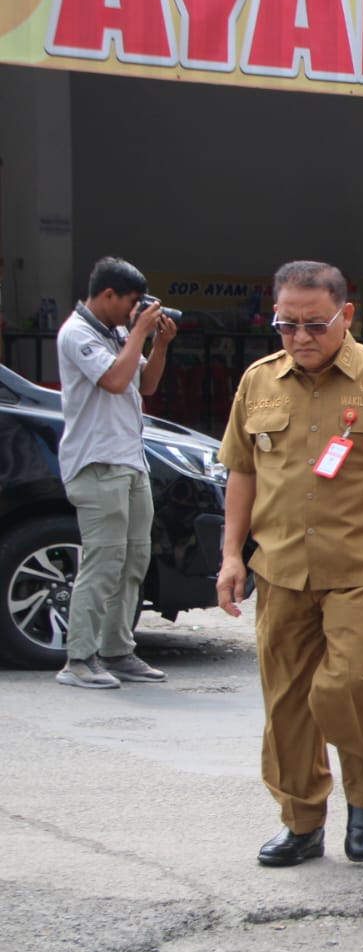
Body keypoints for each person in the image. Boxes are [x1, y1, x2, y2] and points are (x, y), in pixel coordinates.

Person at [216, 261, 363, 868]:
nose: (299, 337)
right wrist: (230, 556)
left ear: (346, 316)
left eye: (314, 324)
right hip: (282, 566)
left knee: (347, 684)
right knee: (287, 700)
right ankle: (301, 819)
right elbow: (242, 472)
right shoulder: (259, 382)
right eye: (285, 324)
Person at [52, 257, 176, 689]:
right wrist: (139, 333)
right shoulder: (77, 333)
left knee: (134, 560)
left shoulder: (119, 332)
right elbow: (114, 380)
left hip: (129, 461)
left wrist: (157, 345)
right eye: (131, 303)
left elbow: (146, 385)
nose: (134, 311)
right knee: (103, 562)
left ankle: (118, 651)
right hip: (96, 464)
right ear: (107, 295)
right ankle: (79, 658)